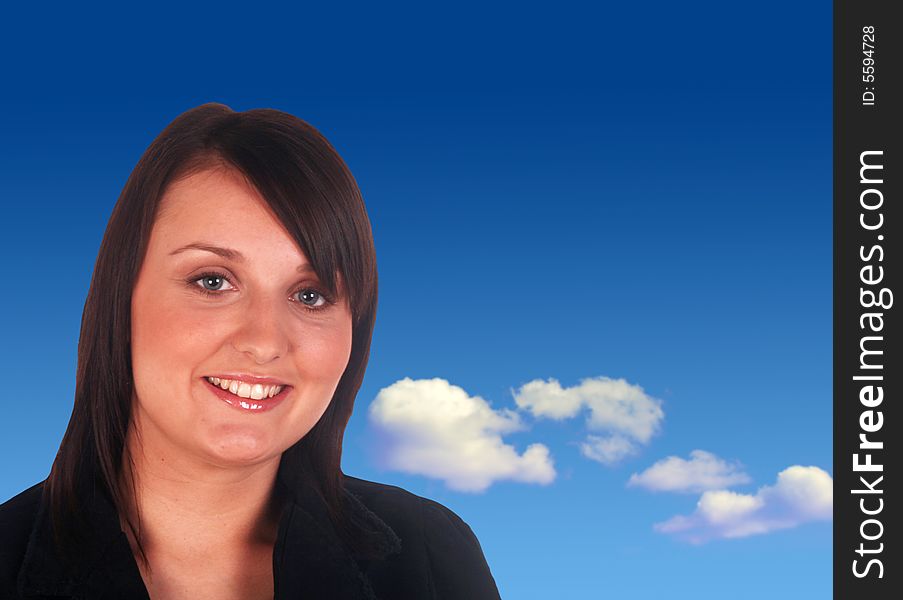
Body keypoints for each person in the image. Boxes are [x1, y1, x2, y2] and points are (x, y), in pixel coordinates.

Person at [0, 103, 502, 600]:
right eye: (212, 281)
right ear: (121, 299)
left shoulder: (428, 558)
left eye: (310, 295)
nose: (264, 342)